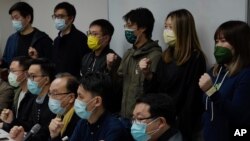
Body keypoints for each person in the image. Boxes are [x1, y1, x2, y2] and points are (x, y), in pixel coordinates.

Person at [139, 9, 206, 141]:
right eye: (165, 27)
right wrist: (147, 74)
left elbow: (192, 98)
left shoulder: (195, 58)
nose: (166, 31)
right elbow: (157, 87)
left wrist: (179, 125)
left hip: (180, 124)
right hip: (161, 120)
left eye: (171, 27)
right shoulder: (166, 55)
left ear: (183, 29)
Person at [10, 72, 133, 141]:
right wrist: (55, 136)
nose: (75, 101)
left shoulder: (114, 129)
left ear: (97, 101)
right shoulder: (84, 123)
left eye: (80, 96)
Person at [199, 21, 250, 141]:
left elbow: (238, 116)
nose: (218, 45)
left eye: (223, 41)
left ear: (239, 43)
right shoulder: (215, 71)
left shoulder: (245, 75)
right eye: (216, 41)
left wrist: (211, 91)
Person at [107, 7, 162, 118]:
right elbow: (118, 83)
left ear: (142, 28)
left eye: (130, 26)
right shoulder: (129, 53)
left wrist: (147, 73)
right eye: (125, 26)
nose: (126, 29)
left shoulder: (155, 55)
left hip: (142, 119)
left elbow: (155, 89)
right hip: (124, 115)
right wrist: (110, 67)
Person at [81, 19, 122, 113]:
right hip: (87, 105)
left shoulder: (114, 59)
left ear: (106, 38)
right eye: (89, 33)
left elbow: (114, 88)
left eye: (95, 34)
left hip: (104, 108)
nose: (90, 37)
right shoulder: (86, 57)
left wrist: (109, 68)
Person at [0, 2, 52, 67]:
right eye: (12, 19)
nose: (14, 22)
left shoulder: (43, 39)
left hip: (33, 76)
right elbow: (6, 62)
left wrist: (37, 59)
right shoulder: (11, 39)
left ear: (28, 18)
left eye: (16, 18)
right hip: (14, 76)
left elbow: (50, 65)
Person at [52, 2, 90, 79]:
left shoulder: (81, 39)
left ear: (71, 18)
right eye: (55, 16)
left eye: (61, 16)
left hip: (73, 84)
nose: (57, 19)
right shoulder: (56, 40)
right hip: (57, 83)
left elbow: (85, 66)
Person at [0, 56, 35, 132]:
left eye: (13, 71)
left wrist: (10, 121)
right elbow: (13, 120)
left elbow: (30, 125)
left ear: (26, 73)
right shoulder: (18, 92)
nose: (10, 74)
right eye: (10, 71)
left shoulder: (33, 95)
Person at [48, 73, 80, 140]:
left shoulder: (79, 121)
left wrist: (55, 137)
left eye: (54, 93)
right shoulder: (58, 114)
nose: (51, 97)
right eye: (50, 93)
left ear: (71, 97)